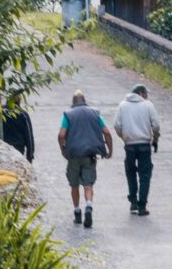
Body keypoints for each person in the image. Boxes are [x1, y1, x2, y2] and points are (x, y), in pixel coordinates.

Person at [58, 91, 113, 229]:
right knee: (88, 185)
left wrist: (63, 150)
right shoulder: (95, 113)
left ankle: (77, 211)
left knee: (74, 184)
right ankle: (88, 206)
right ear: (85, 101)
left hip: (74, 155)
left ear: (73, 102)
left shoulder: (68, 114)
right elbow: (106, 132)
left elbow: (61, 134)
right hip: (89, 154)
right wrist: (109, 151)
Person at [114, 83, 160, 216]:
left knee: (131, 172)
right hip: (144, 144)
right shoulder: (148, 105)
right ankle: (142, 205)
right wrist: (155, 139)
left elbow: (117, 125)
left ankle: (133, 201)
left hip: (129, 145)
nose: (147, 96)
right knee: (145, 175)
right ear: (141, 93)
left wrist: (124, 137)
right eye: (145, 93)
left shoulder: (123, 105)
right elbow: (156, 125)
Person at [2, 96, 35, 163]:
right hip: (17, 151)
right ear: (19, 101)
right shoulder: (23, 115)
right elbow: (29, 137)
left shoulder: (0, 112)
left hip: (2, 149)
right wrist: (30, 157)